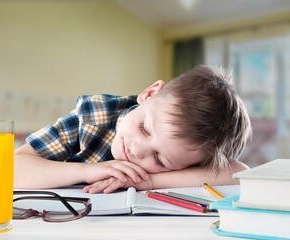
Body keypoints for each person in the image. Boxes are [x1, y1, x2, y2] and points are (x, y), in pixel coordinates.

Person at [14, 65, 252, 194]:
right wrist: (87, 171)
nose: (138, 151)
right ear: (149, 94)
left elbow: (240, 175)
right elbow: (11, 169)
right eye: (145, 129)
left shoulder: (186, 152)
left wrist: (150, 182)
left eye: (160, 159)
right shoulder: (93, 115)